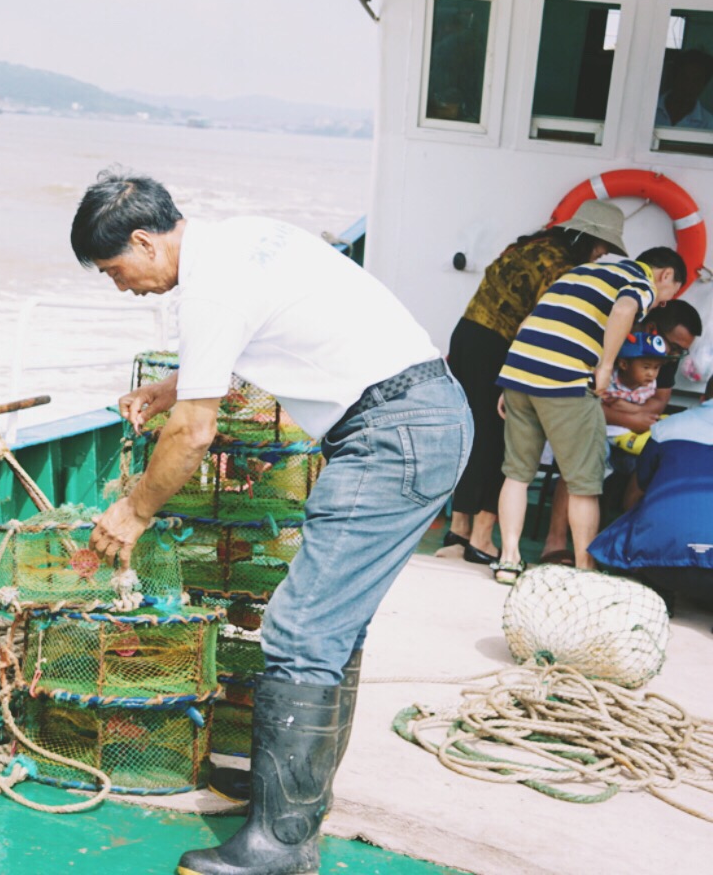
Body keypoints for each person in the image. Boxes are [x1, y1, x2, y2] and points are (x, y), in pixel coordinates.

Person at [68, 172, 470, 875]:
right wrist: (172, 385)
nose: (120, 286)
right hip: (421, 415)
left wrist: (132, 511)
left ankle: (281, 843)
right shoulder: (241, 241)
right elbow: (274, 335)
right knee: (330, 627)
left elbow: (194, 433)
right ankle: (294, 800)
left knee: (301, 630)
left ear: (143, 241)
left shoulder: (211, 288)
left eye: (115, 271)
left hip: (392, 431)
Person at [445, 201, 625, 566]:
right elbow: (542, 323)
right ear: (586, 239)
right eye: (601, 246)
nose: (603, 253)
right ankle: (482, 539)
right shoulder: (562, 267)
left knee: (471, 434)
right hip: (503, 346)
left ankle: (458, 531)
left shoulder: (525, 246)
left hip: (467, 335)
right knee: (501, 440)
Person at [492, 248, 688, 583]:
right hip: (565, 380)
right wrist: (606, 365)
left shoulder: (581, 272)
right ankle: (585, 569)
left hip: (519, 375)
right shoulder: (639, 281)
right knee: (584, 482)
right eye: (671, 293)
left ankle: (508, 560)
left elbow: (530, 321)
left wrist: (511, 378)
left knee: (517, 475)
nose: (664, 302)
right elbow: (625, 308)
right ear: (665, 275)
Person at [537, 298, 702, 564]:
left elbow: (657, 403)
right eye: (674, 347)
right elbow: (581, 404)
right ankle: (555, 540)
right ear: (651, 331)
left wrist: (628, 415)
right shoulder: (611, 345)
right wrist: (631, 418)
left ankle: (631, 547)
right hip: (589, 426)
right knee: (583, 456)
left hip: (628, 433)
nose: (673, 357)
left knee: (659, 462)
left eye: (681, 351)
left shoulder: (665, 359)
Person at [590, 375, 713, 621]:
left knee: (640, 509)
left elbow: (635, 494)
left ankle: (659, 596)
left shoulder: (668, 428)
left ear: (702, 398)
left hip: (659, 566)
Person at [655, 48, 713, 130]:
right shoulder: (649, 108)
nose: (689, 85)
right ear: (674, 77)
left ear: (704, 85)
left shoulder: (708, 124)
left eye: (696, 80)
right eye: (684, 78)